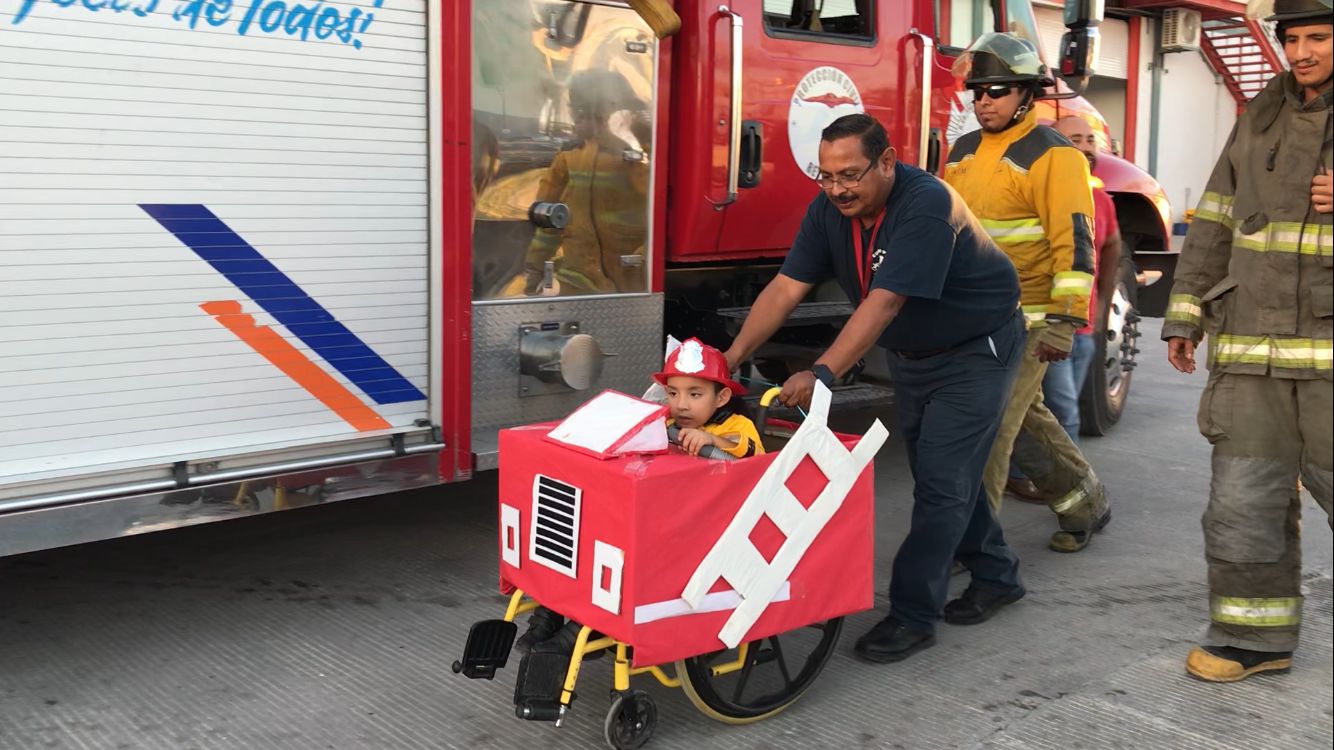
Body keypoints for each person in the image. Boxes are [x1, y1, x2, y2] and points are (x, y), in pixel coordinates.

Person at [723, 114, 1027, 663]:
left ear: (887, 162)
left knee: (939, 483)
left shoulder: (926, 206)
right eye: (826, 175)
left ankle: (913, 615)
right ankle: (998, 573)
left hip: (975, 351)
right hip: (914, 354)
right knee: (945, 474)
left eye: (851, 174)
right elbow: (786, 287)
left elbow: (882, 303)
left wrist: (821, 372)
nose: (837, 188)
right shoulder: (828, 212)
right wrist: (729, 359)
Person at [1162, 0, 1332, 683]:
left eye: (1319, 37)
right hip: (1251, 357)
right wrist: (1185, 316)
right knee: (1242, 505)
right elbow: (1213, 223)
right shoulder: (1258, 117)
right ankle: (1253, 639)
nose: (1303, 52)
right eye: (1293, 39)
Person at [943, 32, 1110, 552]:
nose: (983, 101)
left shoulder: (1055, 156)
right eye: (977, 92)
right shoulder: (962, 150)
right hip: (972, 320)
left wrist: (1063, 321)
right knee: (1027, 417)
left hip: (1029, 322)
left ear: (1026, 95)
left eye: (995, 90)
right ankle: (1086, 504)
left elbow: (1076, 245)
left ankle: (974, 549)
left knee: (990, 431)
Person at [1007, 116, 1124, 502]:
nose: (1087, 146)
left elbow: (1111, 247)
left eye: (1091, 139)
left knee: (1042, 407)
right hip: (1050, 324)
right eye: (1076, 138)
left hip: (1083, 329)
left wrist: (1104, 304)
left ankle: (1044, 480)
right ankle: (1068, 489)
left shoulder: (1101, 199)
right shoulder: (1046, 192)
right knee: (1056, 410)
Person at [521, 69, 651, 296]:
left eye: (586, 113)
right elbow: (548, 217)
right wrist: (535, 268)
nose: (578, 122)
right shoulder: (570, 155)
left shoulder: (638, 152)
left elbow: (655, 209)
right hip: (578, 277)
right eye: (577, 114)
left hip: (630, 279)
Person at [655, 338, 764, 459]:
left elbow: (758, 460)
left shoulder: (738, 425)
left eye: (695, 395)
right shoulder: (664, 422)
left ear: (721, 398)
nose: (681, 405)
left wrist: (713, 440)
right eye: (673, 393)